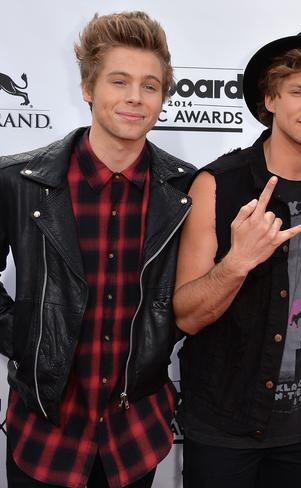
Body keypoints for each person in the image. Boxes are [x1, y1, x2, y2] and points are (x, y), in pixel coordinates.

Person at [0, 11, 195, 488]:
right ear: (88, 88)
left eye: (150, 85)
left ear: (163, 97)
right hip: (46, 430)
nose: (135, 97)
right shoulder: (19, 182)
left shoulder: (188, 189)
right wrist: (26, 338)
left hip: (134, 432)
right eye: (119, 81)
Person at [172, 27, 301, 488]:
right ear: (271, 99)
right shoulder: (217, 184)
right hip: (227, 422)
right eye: (299, 91)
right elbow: (186, 316)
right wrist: (237, 261)